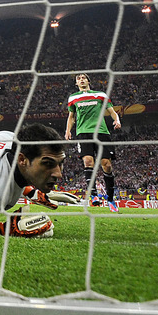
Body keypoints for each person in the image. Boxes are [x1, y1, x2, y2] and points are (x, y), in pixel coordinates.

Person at [65, 73, 121, 212]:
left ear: (88, 81)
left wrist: (117, 120)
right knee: (88, 162)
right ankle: (94, 195)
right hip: (83, 133)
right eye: (78, 79)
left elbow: (112, 111)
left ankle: (110, 199)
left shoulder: (100, 95)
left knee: (106, 165)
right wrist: (68, 131)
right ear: (76, 84)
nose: (81, 80)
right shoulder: (73, 98)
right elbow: (71, 117)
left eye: (83, 78)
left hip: (101, 132)